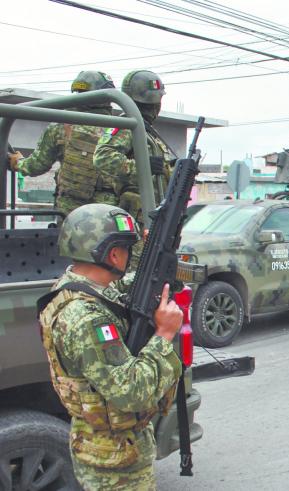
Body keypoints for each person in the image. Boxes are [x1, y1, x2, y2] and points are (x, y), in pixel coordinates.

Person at [37, 203, 182, 490]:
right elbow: (132, 392)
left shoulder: (75, 285)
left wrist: (152, 253)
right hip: (115, 463)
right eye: (126, 249)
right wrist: (165, 333)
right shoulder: (86, 318)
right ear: (113, 254)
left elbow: (126, 287)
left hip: (107, 445)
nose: (127, 256)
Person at [6, 71, 118, 216]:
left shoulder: (61, 126)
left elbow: (36, 166)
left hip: (71, 214)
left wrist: (17, 162)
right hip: (110, 214)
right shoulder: (121, 129)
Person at [93, 69, 174, 229]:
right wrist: (143, 166)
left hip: (152, 214)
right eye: (151, 104)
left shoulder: (148, 132)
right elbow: (102, 157)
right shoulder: (128, 126)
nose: (155, 107)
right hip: (135, 217)